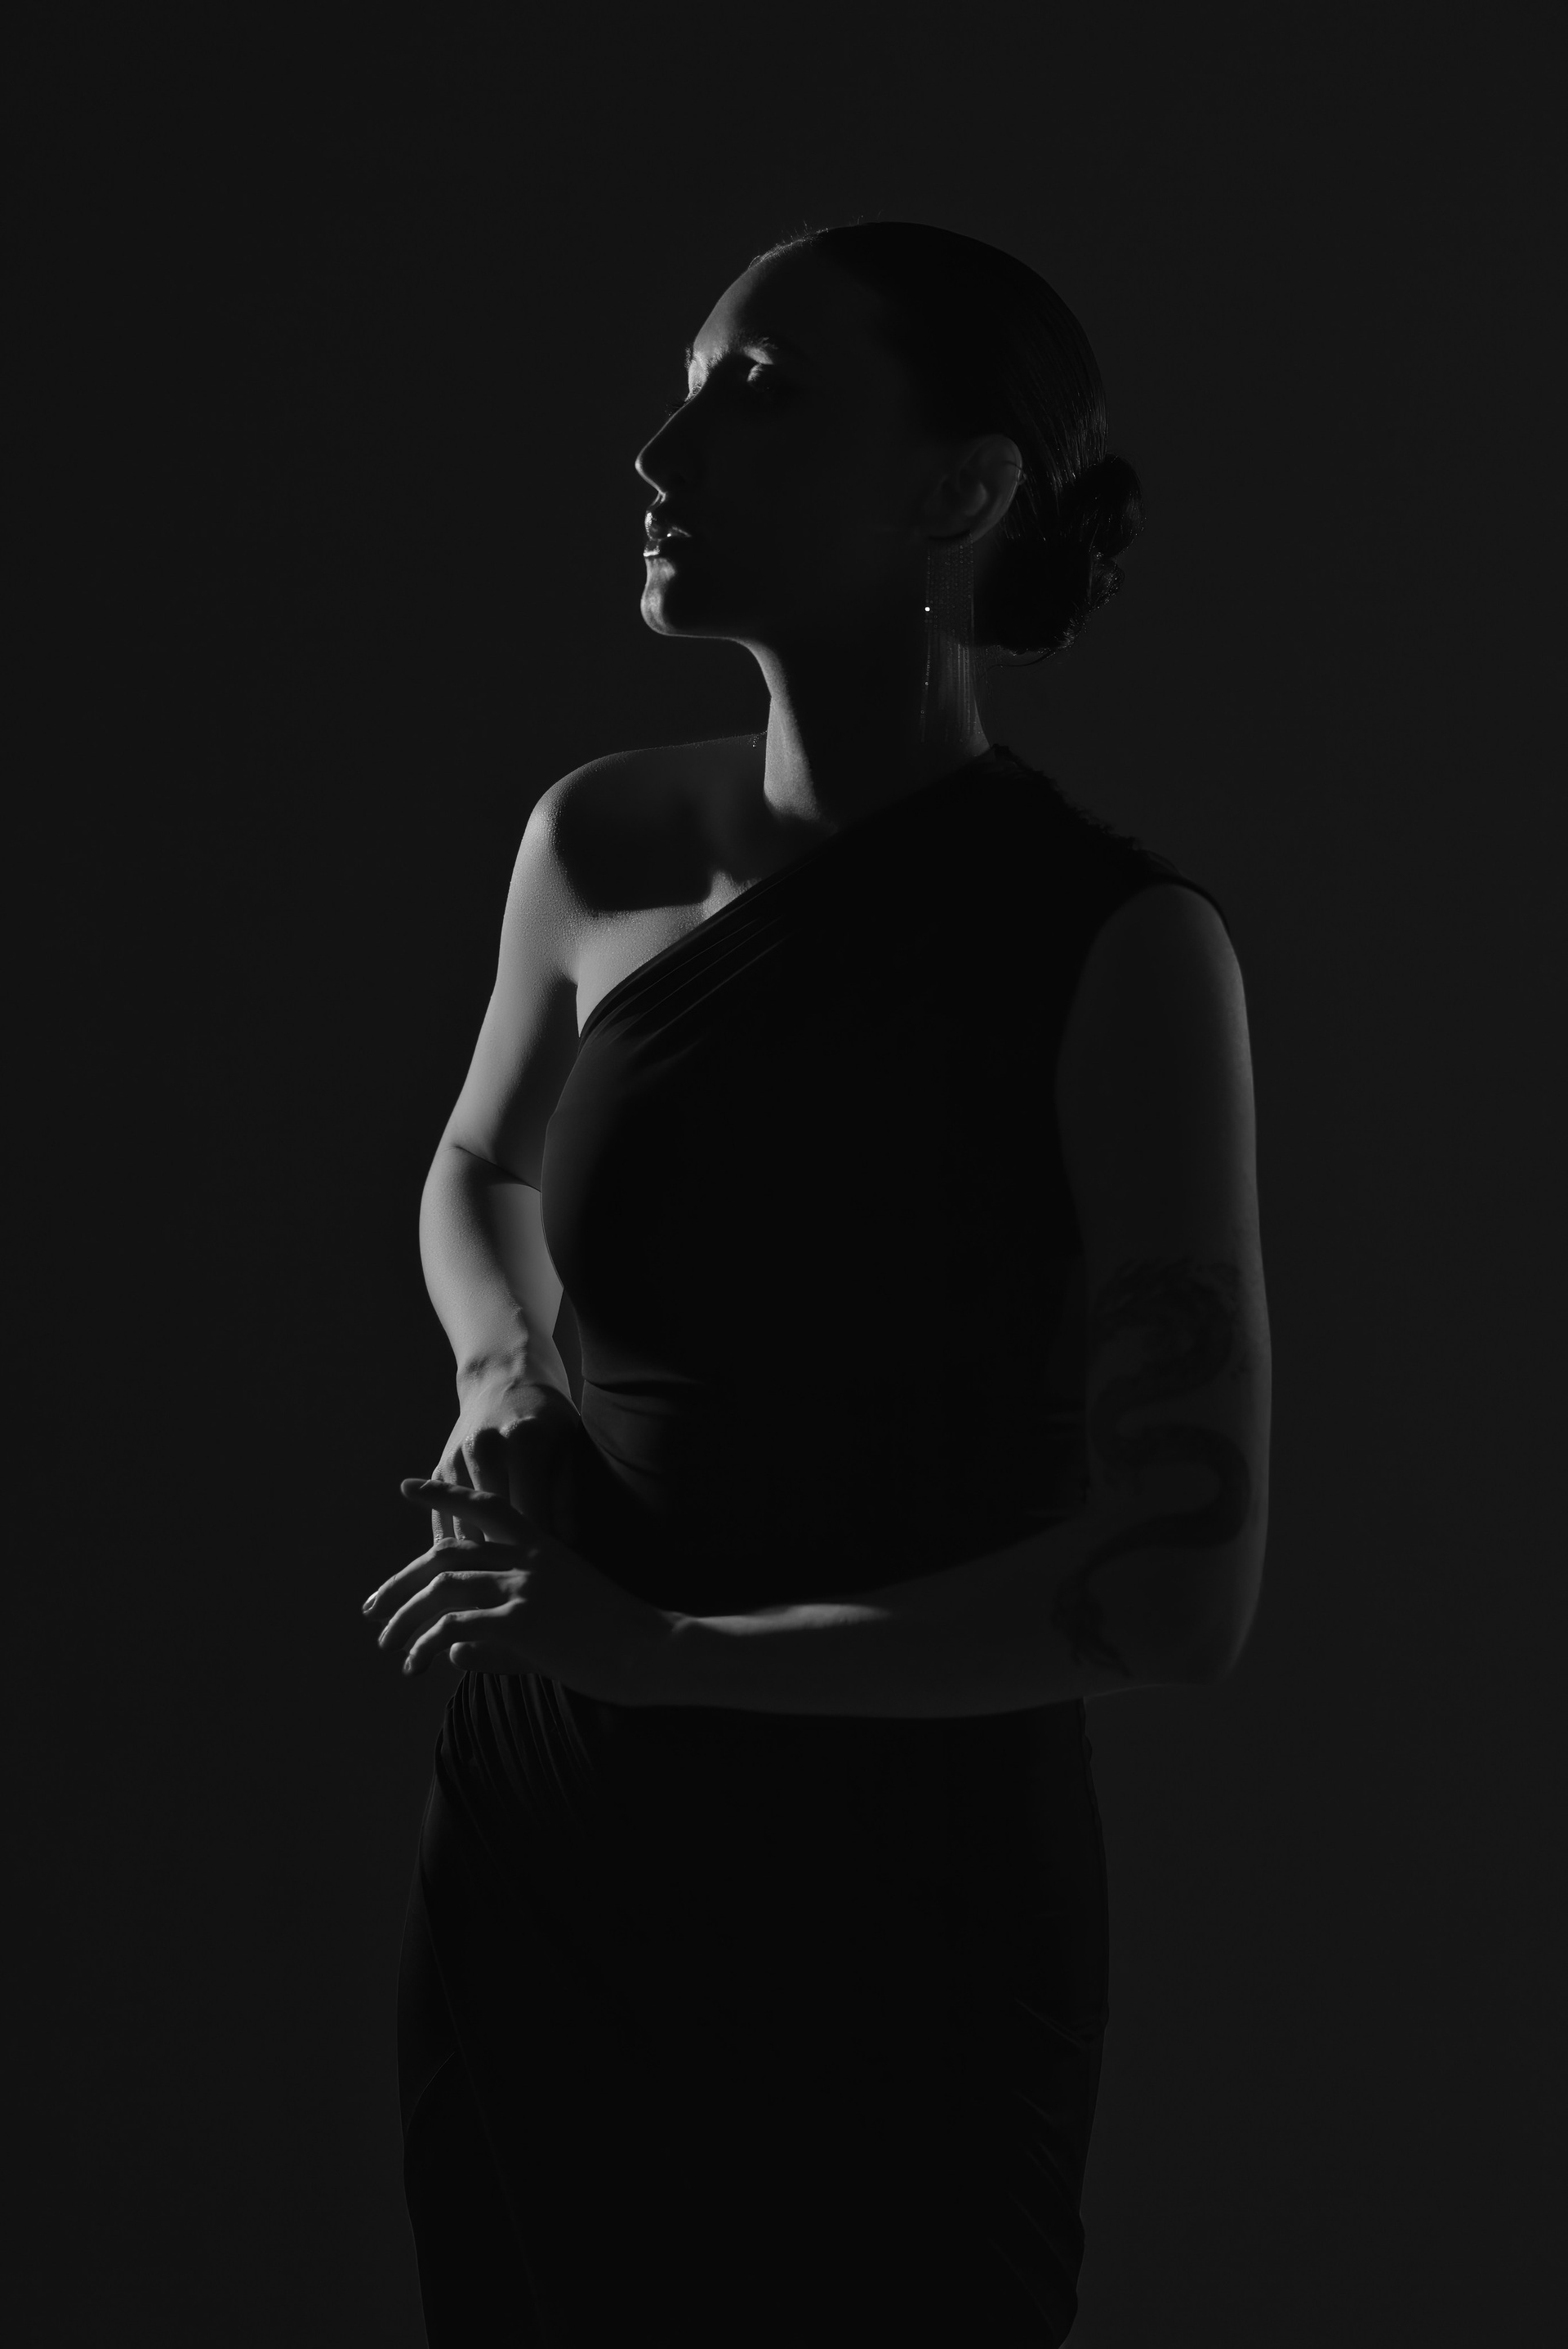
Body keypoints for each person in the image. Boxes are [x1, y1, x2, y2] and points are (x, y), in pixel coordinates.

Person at [363, 220, 1271, 2347]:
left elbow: (1177, 1596)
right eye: (687, 386)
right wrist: (504, 1375)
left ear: (963, 489)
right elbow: (481, 1163)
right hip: (551, 1836)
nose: (663, 449)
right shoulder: (600, 842)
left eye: (758, 395)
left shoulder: (1119, 950)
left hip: (897, 1892)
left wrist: (664, 1649)